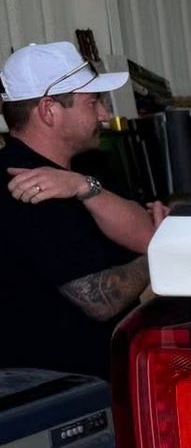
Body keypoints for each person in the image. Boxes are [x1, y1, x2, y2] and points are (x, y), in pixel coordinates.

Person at [1, 41, 168, 379]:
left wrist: (83, 187)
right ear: (49, 110)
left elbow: (147, 234)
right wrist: (162, 257)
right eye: (93, 103)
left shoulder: (79, 174)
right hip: (62, 395)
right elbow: (98, 300)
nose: (105, 114)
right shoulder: (25, 187)